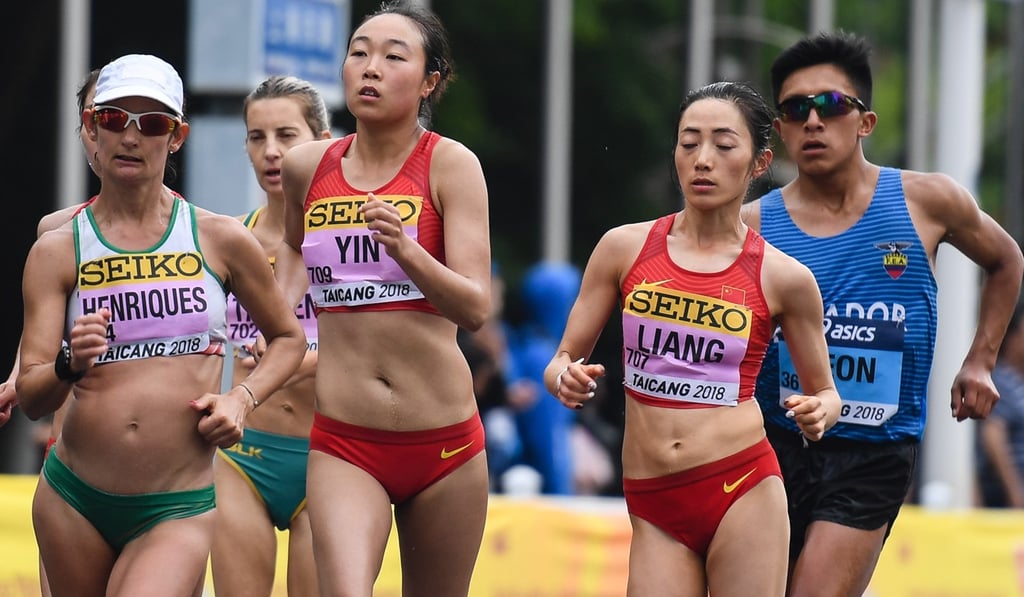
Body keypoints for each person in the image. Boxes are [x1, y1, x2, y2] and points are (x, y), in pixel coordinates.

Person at [739, 30, 1024, 596]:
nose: (813, 121)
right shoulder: (751, 225)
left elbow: (1007, 259)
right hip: (772, 446)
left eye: (831, 105)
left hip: (873, 451)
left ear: (864, 121)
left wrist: (980, 362)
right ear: (781, 130)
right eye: (796, 110)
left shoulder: (927, 200)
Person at [17, 53, 306, 596]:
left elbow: (288, 339)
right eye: (113, 119)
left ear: (176, 137)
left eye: (151, 123)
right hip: (75, 496)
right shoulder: (56, 249)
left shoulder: (219, 238)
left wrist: (240, 399)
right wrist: (67, 362)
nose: (131, 137)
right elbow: (34, 394)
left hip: (177, 502)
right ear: (90, 127)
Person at [545, 81, 841, 596]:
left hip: (741, 486)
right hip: (654, 497)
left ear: (758, 162)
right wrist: (565, 376)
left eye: (724, 146)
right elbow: (561, 360)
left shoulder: (784, 277)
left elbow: (828, 393)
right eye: (689, 143)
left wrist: (820, 412)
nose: (703, 159)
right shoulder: (623, 248)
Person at [269, 2, 492, 594]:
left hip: (445, 442)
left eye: (394, 57)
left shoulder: (451, 165)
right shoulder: (306, 166)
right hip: (346, 439)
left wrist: (408, 251)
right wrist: (275, 323)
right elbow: (294, 246)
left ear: (428, 82)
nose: (370, 67)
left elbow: (475, 307)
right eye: (359, 52)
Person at [210, 75, 331, 597]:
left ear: (323, 141)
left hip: (329, 455)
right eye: (257, 137)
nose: (272, 152)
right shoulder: (228, 239)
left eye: (287, 135)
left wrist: (294, 358)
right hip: (242, 453)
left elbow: (378, 347)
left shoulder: (348, 243)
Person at [0, 68, 102, 433]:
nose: (115, 133)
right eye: (98, 117)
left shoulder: (196, 228)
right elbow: (42, 329)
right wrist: (16, 380)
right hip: (72, 441)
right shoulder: (56, 230)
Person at [976, 302, 1024, 508]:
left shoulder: (1018, 381)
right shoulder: (999, 380)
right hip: (1005, 500)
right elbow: (993, 436)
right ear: (1012, 337)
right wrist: (1015, 490)